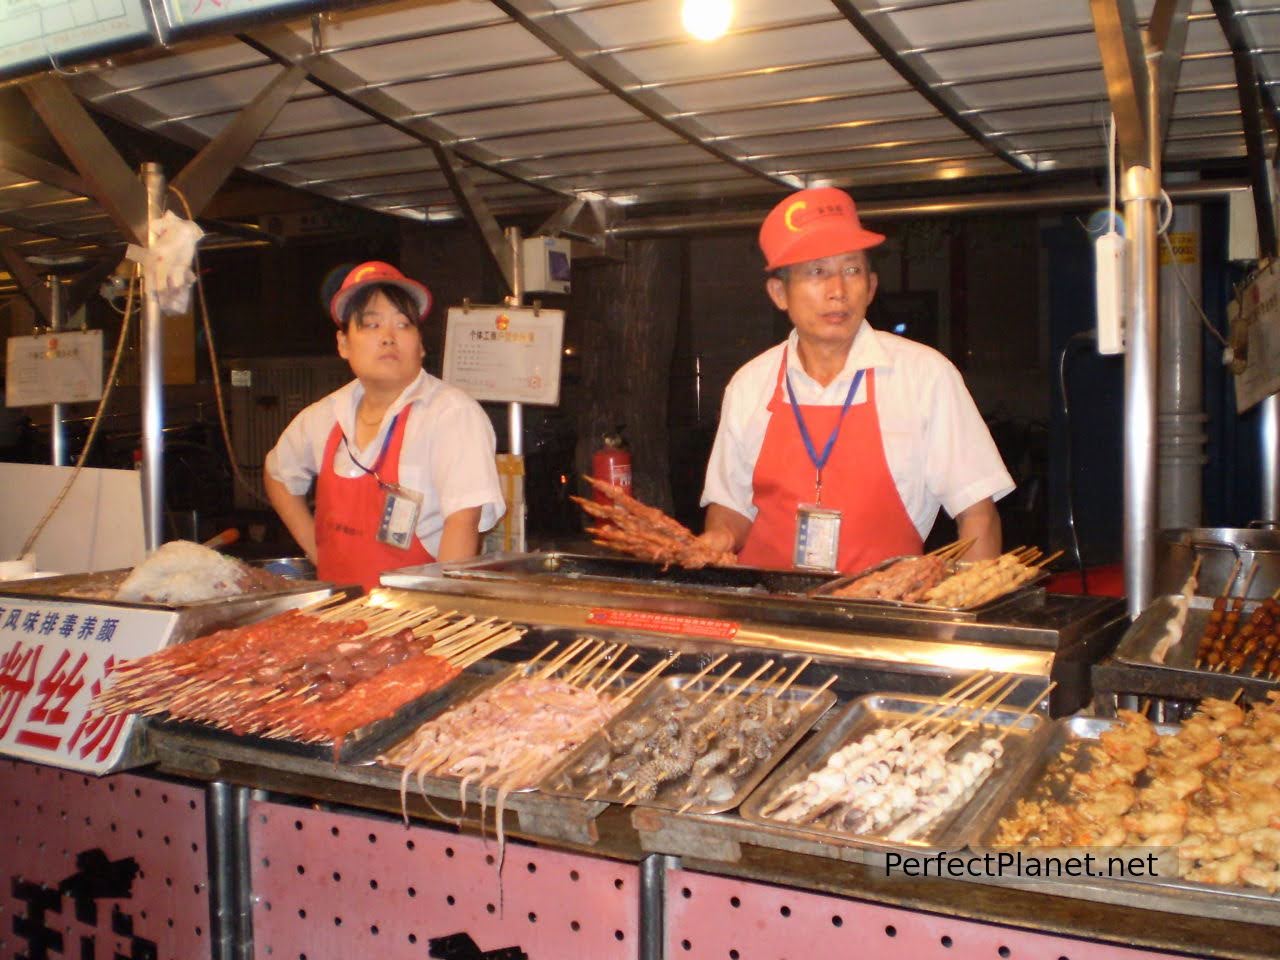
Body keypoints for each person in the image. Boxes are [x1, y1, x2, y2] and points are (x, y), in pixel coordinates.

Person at [699, 187, 1013, 575]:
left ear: (872, 286)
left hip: (882, 619)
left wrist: (964, 611)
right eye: (817, 272)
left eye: (852, 270)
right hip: (768, 620)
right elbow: (730, 506)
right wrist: (720, 539)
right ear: (779, 293)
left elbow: (978, 515)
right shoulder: (749, 384)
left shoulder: (924, 376)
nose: (837, 291)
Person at [265, 261, 504, 590]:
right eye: (371, 325)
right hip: (337, 617)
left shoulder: (451, 414)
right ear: (343, 344)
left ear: (420, 345)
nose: (389, 338)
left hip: (419, 617)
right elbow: (277, 473)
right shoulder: (324, 416)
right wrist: (316, 549)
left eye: (404, 325)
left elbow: (463, 522)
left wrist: (444, 612)